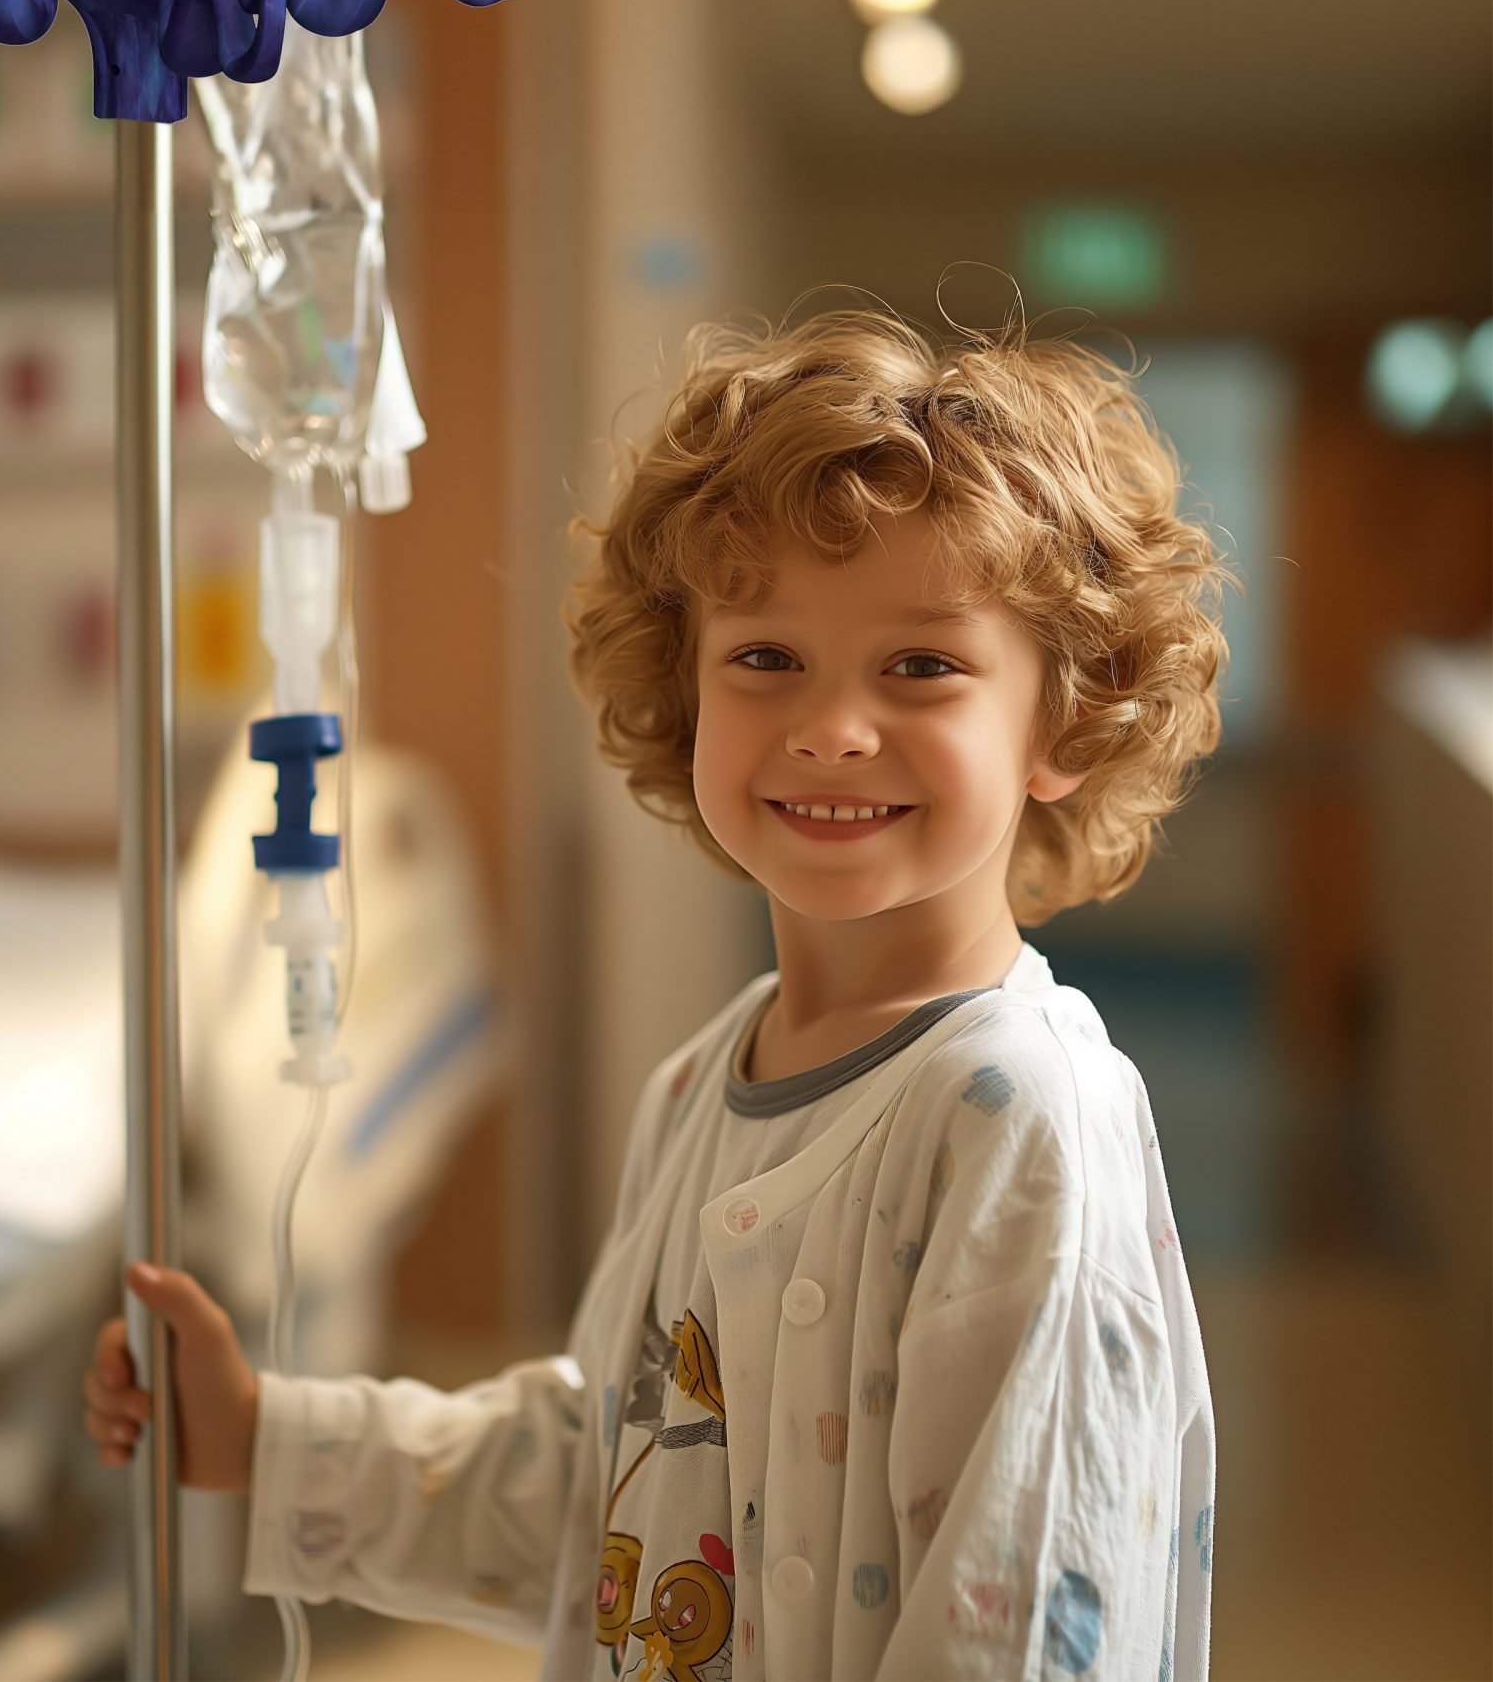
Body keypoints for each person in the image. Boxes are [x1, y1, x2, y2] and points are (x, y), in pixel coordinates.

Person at [85, 299, 1236, 1680]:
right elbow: (609, 1490)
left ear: (1064, 716)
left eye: (920, 666)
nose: (829, 726)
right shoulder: (702, 1086)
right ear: (685, 691)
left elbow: (1022, 1616)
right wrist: (269, 1443)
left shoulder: (1020, 1122)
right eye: (765, 659)